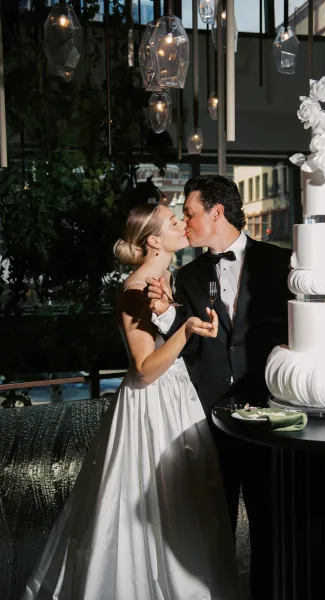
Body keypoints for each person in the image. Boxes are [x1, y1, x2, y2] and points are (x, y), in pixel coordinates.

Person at [21, 203, 240, 600]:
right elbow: (144, 368)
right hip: (151, 406)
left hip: (177, 399)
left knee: (183, 504)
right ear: (155, 240)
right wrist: (188, 329)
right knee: (150, 505)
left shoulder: (168, 279)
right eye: (174, 222)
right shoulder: (137, 289)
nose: (182, 224)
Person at [146, 174, 292, 600]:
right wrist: (160, 313)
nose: (185, 222)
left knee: (270, 522)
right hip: (208, 418)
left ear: (217, 212)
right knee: (213, 524)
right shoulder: (187, 275)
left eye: (189, 214)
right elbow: (178, 332)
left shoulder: (279, 263)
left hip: (269, 416)